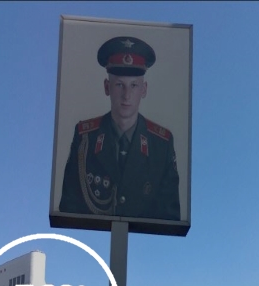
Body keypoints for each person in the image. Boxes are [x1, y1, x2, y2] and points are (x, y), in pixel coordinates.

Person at [58, 36, 180, 222]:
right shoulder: (85, 138)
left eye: (133, 85)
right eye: (119, 85)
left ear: (144, 90)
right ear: (107, 87)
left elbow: (169, 217)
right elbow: (69, 208)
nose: (126, 95)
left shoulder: (161, 145)